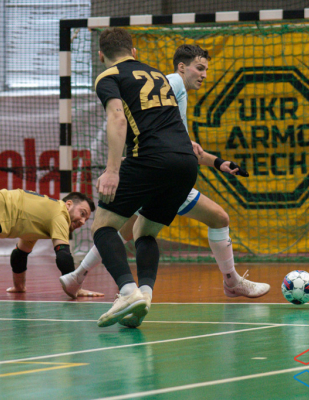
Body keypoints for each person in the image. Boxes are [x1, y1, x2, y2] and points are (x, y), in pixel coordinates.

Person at [60, 44, 270, 320]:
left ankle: (88, 279)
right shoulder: (170, 82)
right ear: (182, 67)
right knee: (126, 229)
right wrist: (119, 165)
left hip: (161, 165)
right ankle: (113, 285)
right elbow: (131, 121)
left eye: (206, 69)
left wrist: (218, 162)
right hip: (157, 167)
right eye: (200, 68)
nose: (204, 75)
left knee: (129, 229)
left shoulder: (175, 100)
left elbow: (187, 146)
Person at [89, 28, 199, 328]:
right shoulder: (159, 75)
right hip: (186, 162)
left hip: (150, 158)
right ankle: (145, 295)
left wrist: (112, 171)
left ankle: (127, 292)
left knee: (102, 227)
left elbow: (117, 118)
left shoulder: (108, 76)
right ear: (134, 52)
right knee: (145, 231)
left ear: (101, 56)